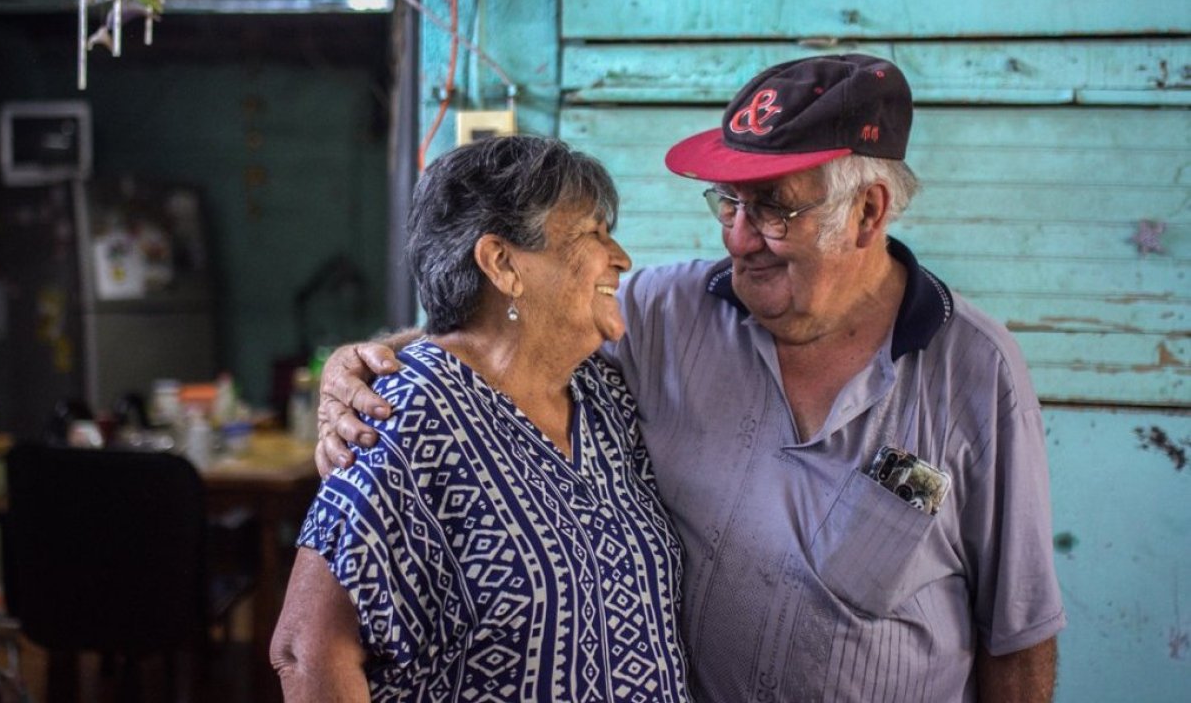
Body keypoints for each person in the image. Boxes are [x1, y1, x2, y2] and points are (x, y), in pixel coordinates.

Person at [316, 54, 1066, 702]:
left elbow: (1019, 638)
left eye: (773, 208)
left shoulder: (975, 372)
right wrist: (376, 360)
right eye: (729, 202)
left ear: (867, 213)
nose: (740, 238)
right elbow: (505, 332)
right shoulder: (661, 315)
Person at [269, 135, 692, 702]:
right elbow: (306, 650)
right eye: (593, 233)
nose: (621, 258)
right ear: (502, 263)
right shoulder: (404, 412)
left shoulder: (602, 394)